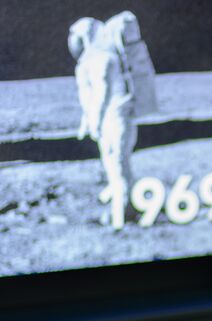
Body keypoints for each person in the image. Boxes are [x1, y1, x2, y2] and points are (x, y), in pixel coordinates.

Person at [69, 17, 137, 229]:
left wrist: (95, 122)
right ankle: (128, 205)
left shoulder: (102, 60)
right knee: (119, 165)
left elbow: (102, 94)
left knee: (116, 165)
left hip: (114, 120)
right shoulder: (102, 57)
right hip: (116, 118)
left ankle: (121, 216)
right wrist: (87, 121)